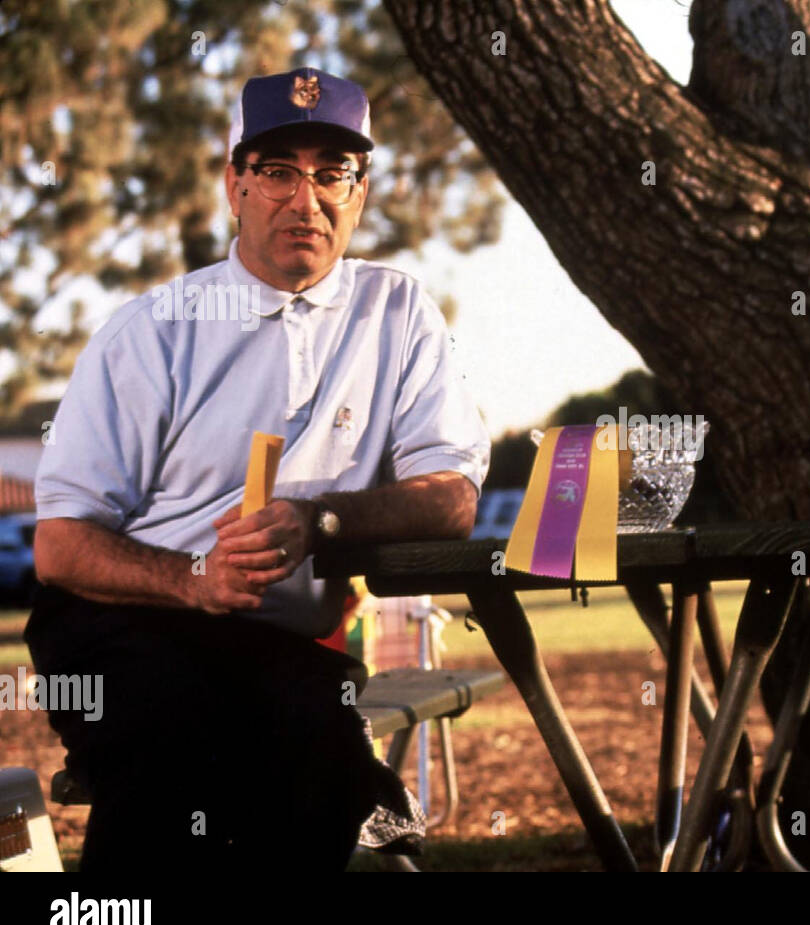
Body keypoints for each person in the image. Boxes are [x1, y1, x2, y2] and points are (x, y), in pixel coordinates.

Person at [26, 67, 491, 870]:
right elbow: (61, 547)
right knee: (177, 727)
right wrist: (192, 581)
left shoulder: (398, 312)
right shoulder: (154, 330)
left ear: (361, 190)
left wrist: (320, 521)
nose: (303, 198)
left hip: (277, 647)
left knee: (312, 732)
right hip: (124, 622)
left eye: (330, 173)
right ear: (234, 184)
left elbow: (451, 497)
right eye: (276, 170)